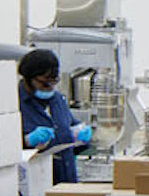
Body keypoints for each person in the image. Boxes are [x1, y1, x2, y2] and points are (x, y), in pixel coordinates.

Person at [17, 48, 93, 187]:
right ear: (28, 79)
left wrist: (81, 136)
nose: (49, 88)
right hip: (35, 185)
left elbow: (69, 129)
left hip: (66, 181)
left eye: (54, 82)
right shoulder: (14, 103)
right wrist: (25, 141)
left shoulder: (57, 99)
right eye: (45, 83)